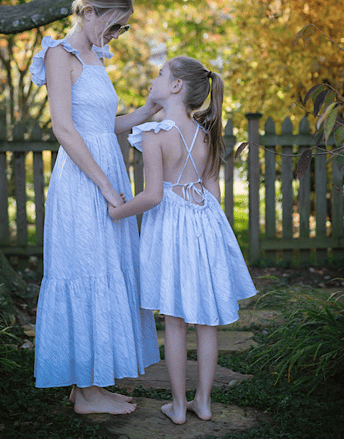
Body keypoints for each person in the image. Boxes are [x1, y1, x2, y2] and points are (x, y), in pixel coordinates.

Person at [28, 0, 161, 415]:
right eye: (114, 24)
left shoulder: (96, 56)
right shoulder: (59, 55)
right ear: (90, 13)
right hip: (84, 183)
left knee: (108, 269)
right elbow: (64, 128)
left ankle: (91, 385)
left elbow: (106, 126)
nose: (117, 34)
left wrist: (143, 113)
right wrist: (105, 184)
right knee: (84, 270)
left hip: (108, 176)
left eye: (123, 27)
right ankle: (85, 394)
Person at [108, 56, 258, 424]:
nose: (154, 80)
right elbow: (212, 188)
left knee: (174, 320)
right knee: (206, 321)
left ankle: (178, 406)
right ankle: (203, 403)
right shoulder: (205, 133)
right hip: (204, 223)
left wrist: (116, 211)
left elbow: (154, 195)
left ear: (176, 86)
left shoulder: (156, 133)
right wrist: (209, 227)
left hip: (172, 228)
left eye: (160, 75)